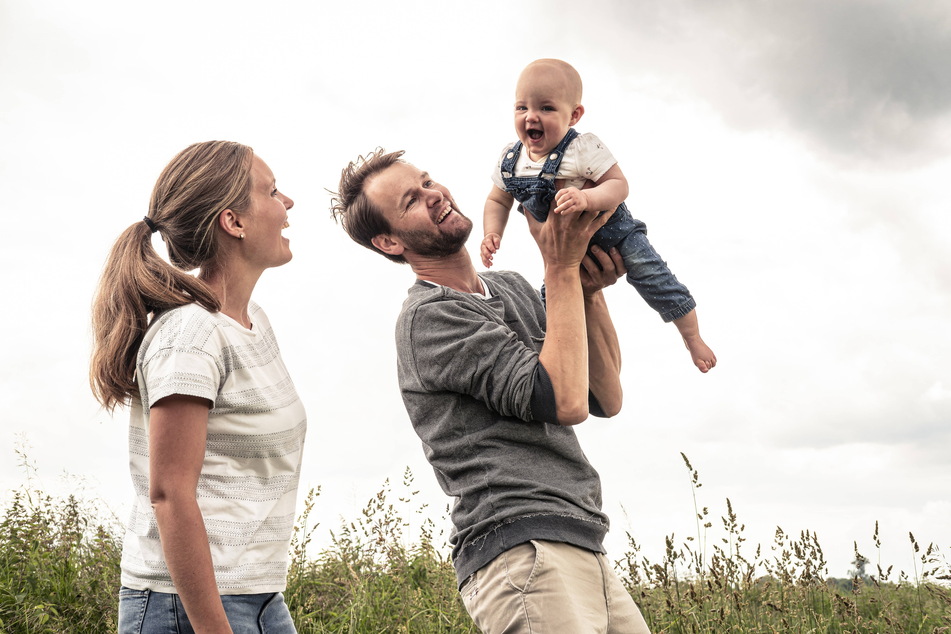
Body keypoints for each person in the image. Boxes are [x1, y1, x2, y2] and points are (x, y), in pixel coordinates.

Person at [331, 149, 652, 633]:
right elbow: (562, 402)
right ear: (389, 242)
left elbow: (603, 396)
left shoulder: (513, 288)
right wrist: (561, 269)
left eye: (428, 181)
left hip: (582, 536)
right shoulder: (430, 318)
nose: (434, 195)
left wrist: (586, 289)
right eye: (411, 200)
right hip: (519, 550)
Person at [90, 141, 305, 634]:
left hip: (259, 595)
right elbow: (169, 494)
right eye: (272, 192)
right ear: (235, 222)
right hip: (185, 607)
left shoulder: (253, 326)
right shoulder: (190, 334)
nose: (287, 203)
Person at [482, 58, 717, 373]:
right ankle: (548, 363)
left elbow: (619, 185)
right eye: (521, 108)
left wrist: (585, 197)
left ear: (574, 114)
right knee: (548, 304)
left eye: (547, 108)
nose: (531, 117)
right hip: (566, 253)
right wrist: (491, 233)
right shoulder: (510, 160)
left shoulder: (582, 148)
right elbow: (498, 200)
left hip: (616, 235)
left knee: (655, 276)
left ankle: (692, 337)